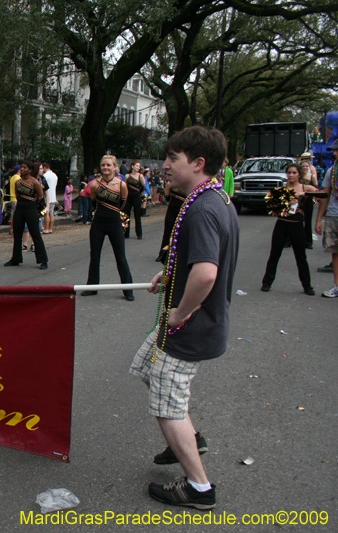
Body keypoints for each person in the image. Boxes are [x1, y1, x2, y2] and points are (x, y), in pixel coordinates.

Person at [131, 125, 239, 510]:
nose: (165, 166)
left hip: (190, 327)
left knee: (166, 405)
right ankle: (191, 437)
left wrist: (180, 311)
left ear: (198, 163)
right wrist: (171, 274)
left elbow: (207, 273)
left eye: (172, 159)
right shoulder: (213, 199)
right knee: (145, 367)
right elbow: (200, 262)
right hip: (187, 324)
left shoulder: (205, 208)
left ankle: (199, 488)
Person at [260, 163, 318, 295]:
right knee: (274, 254)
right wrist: (286, 202)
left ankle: (307, 286)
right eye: (289, 172)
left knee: (301, 257)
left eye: (294, 173)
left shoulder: (305, 187)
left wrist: (304, 193)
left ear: (299, 174)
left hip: (297, 226)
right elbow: (271, 208)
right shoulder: (281, 190)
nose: (291, 175)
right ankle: (267, 283)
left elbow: (323, 194)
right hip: (282, 225)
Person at [82, 155, 134, 300]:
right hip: (98, 224)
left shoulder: (121, 185)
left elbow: (123, 205)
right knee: (95, 256)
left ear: (114, 167)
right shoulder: (94, 184)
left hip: (115, 224)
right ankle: (92, 287)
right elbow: (94, 203)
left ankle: (128, 290)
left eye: (108, 165)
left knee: (121, 258)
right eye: (103, 165)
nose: (105, 167)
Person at [3, 161, 48, 270]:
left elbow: (40, 197)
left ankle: (43, 260)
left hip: (31, 208)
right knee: (17, 233)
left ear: (30, 170)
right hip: (20, 208)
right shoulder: (18, 182)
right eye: (21, 167)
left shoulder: (35, 182)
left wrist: (36, 208)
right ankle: (16, 258)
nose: (22, 169)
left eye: (25, 167)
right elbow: (17, 195)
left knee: (35, 234)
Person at [315, 140, 338, 297]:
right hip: (334, 215)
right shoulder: (332, 171)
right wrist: (319, 220)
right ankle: (337, 285)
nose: (334, 153)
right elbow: (325, 195)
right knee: (335, 252)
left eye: (337, 150)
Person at [156, 180, 187, 263]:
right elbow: (167, 196)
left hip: (184, 210)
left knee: (181, 233)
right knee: (167, 233)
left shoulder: (187, 184)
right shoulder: (170, 184)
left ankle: (178, 255)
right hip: (172, 210)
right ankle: (162, 254)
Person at [298, 152, 318, 249]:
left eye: (307, 166)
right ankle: (294, 240)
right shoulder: (298, 176)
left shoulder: (312, 174)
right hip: (298, 200)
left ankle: (308, 242)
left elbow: (316, 187)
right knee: (297, 220)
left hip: (308, 200)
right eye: (303, 166)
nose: (305, 167)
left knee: (307, 221)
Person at [122, 160, 145, 239]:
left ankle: (139, 234)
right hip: (128, 197)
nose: (138, 167)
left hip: (136, 197)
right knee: (126, 216)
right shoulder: (127, 176)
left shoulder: (140, 176)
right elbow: (125, 186)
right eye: (136, 165)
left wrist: (139, 192)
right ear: (132, 166)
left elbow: (143, 186)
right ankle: (126, 233)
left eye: (139, 166)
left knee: (137, 216)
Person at [41, 162, 58, 233]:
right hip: (53, 197)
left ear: (45, 167)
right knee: (51, 213)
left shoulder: (45, 176)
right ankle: (51, 228)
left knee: (46, 214)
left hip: (47, 197)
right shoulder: (55, 175)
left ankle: (46, 228)